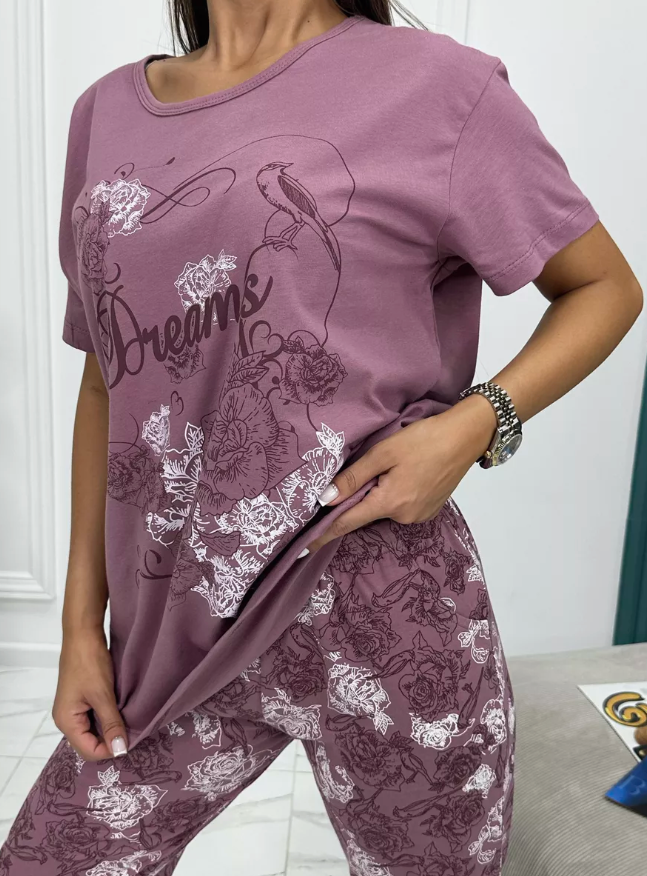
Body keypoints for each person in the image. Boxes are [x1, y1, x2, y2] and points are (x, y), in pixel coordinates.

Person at [1, 2, 642, 874]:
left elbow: (603, 286)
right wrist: (82, 624)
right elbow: (104, 380)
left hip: (387, 611)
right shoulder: (106, 110)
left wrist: (475, 424)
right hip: (176, 632)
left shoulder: (439, 87)